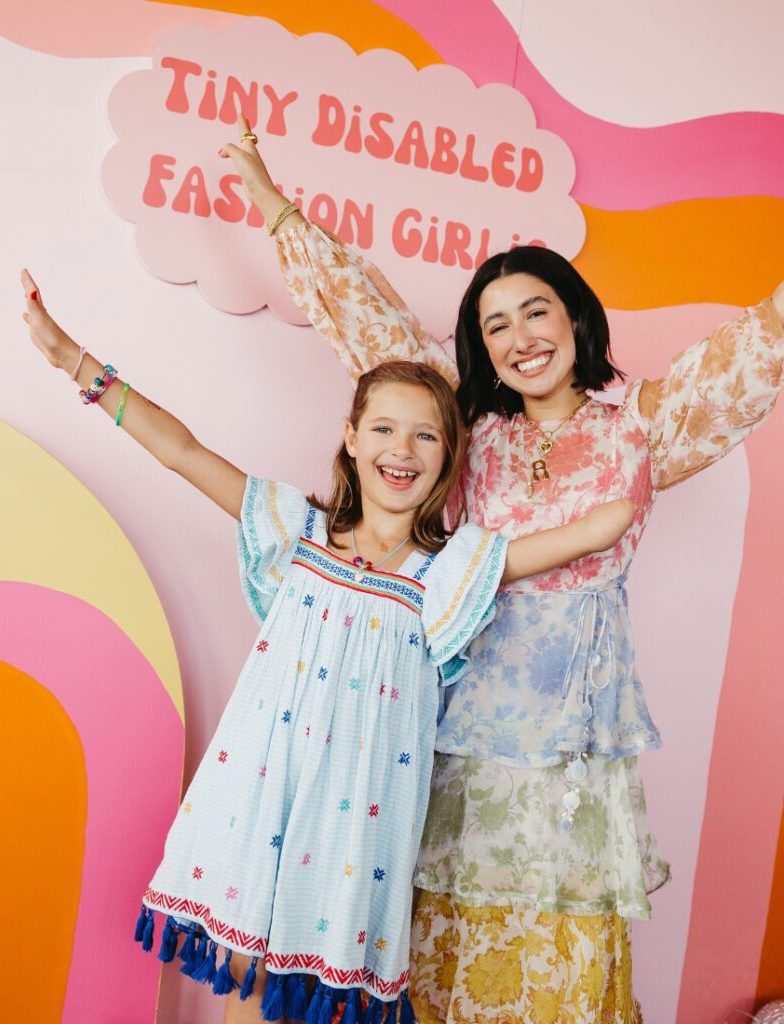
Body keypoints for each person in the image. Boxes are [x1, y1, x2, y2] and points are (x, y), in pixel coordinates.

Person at [219, 117, 784, 1023]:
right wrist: (275, 203)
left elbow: (747, 359)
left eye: (535, 310)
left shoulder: (639, 423)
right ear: (479, 350)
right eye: (494, 325)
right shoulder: (470, 433)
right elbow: (370, 324)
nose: (520, 336)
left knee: (556, 961)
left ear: (574, 316)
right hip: (452, 724)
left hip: (570, 741)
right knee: (437, 942)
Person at [20, 274, 634, 1024]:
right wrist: (71, 360)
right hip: (259, 796)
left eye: (425, 436)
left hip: (352, 830)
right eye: (382, 428)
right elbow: (180, 450)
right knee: (244, 987)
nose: (400, 449)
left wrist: (621, 450)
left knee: (310, 1000)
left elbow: (588, 531)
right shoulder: (295, 535)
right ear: (350, 437)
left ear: (448, 460)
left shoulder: (447, 575)